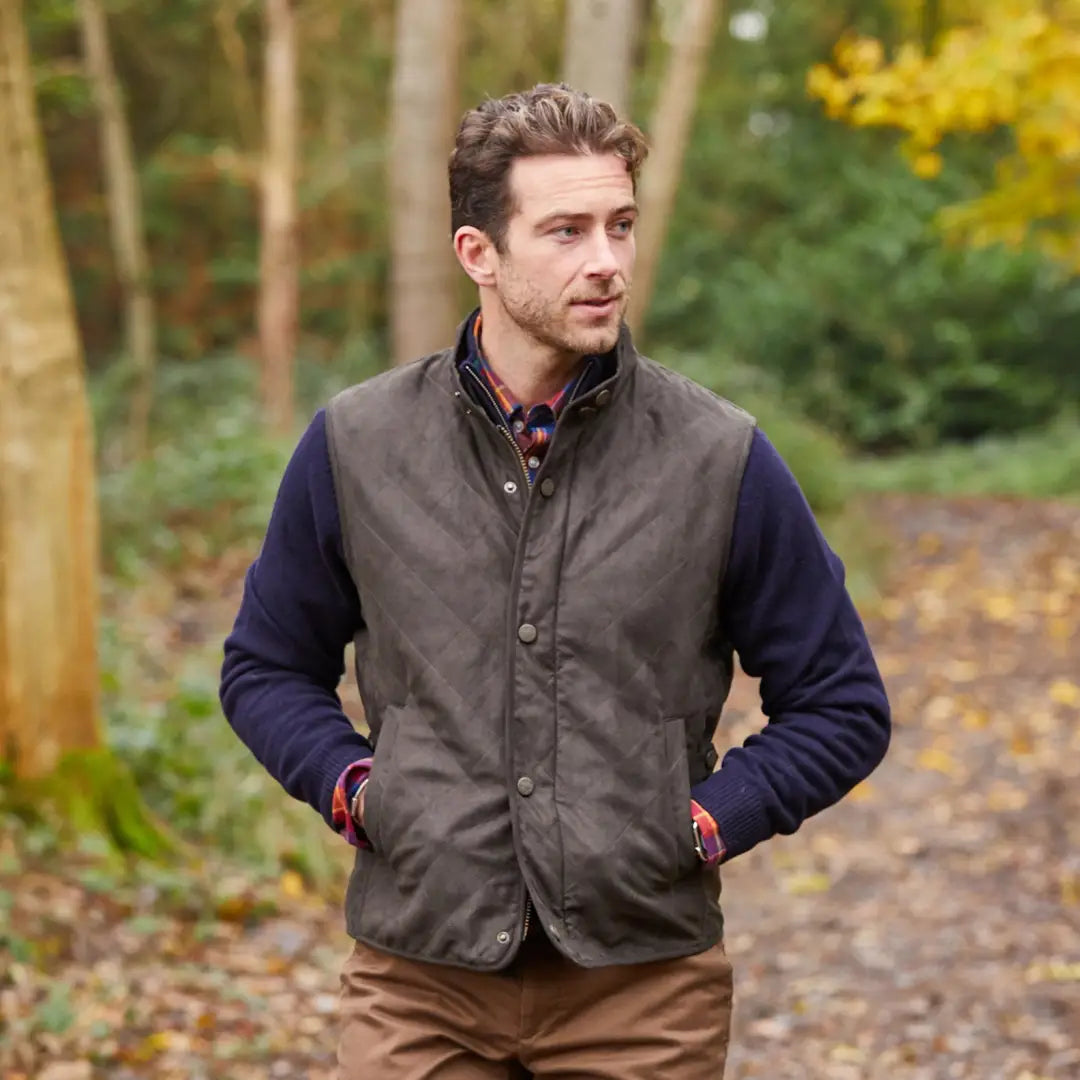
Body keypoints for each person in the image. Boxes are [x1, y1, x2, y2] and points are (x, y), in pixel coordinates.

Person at [220, 82, 891, 1080]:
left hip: (643, 990)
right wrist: (361, 792)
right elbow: (266, 669)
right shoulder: (357, 446)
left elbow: (841, 704)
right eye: (567, 230)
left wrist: (702, 824)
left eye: (620, 225)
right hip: (419, 982)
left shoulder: (720, 456)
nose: (607, 263)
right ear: (476, 254)